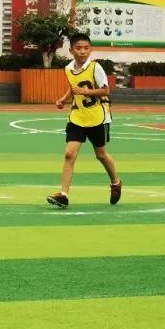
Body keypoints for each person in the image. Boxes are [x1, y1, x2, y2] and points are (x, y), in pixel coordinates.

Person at [46, 33, 122, 208]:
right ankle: (64, 195)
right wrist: (63, 100)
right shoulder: (68, 68)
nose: (82, 51)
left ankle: (116, 182)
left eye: (86, 48)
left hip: (97, 117)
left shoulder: (95, 67)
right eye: (78, 48)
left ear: (90, 50)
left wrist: (85, 92)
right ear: (71, 50)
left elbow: (105, 90)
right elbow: (73, 88)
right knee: (69, 154)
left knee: (101, 155)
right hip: (77, 116)